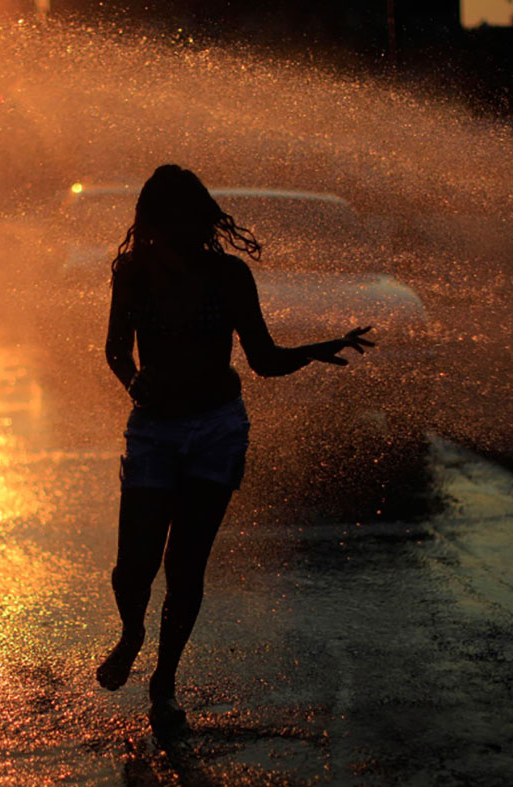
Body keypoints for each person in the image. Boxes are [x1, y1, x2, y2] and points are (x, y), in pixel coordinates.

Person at [97, 164, 374, 731]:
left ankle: (164, 684)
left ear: (199, 218)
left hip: (217, 430)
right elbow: (115, 349)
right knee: (133, 569)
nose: (174, 230)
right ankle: (131, 633)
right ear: (151, 221)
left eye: (183, 218)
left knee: (185, 565)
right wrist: (132, 380)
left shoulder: (228, 275)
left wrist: (317, 349)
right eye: (163, 218)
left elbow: (264, 360)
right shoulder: (134, 273)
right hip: (154, 429)